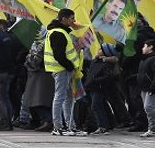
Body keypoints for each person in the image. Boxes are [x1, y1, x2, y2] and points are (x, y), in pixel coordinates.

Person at [44, 8, 85, 136]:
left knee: (68, 98)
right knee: (60, 97)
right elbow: (59, 54)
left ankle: (70, 126)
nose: (74, 21)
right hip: (61, 70)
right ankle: (58, 127)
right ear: (63, 19)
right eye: (72, 18)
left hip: (65, 70)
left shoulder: (61, 32)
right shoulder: (58, 33)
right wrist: (69, 66)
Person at [85, 43, 121, 135]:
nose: (98, 50)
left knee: (96, 106)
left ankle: (103, 126)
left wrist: (95, 80)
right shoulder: (95, 60)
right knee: (101, 105)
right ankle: (110, 124)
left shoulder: (107, 64)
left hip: (99, 87)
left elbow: (108, 77)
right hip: (92, 87)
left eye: (101, 49)